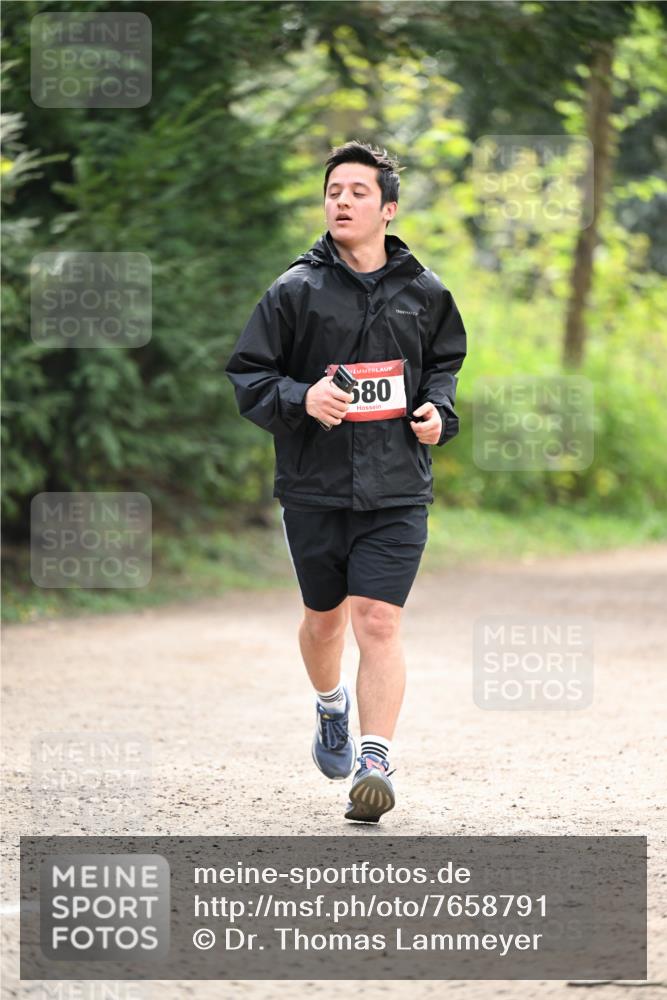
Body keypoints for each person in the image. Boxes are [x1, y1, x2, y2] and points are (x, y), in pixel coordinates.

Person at [225, 140, 467, 823]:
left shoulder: (426, 292)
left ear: (386, 209)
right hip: (314, 487)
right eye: (334, 190)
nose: (341, 201)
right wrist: (301, 398)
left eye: (357, 192)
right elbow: (249, 377)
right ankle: (330, 707)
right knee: (324, 622)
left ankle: (374, 759)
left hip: (396, 488)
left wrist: (436, 414)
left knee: (378, 620)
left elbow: (441, 368)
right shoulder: (293, 290)